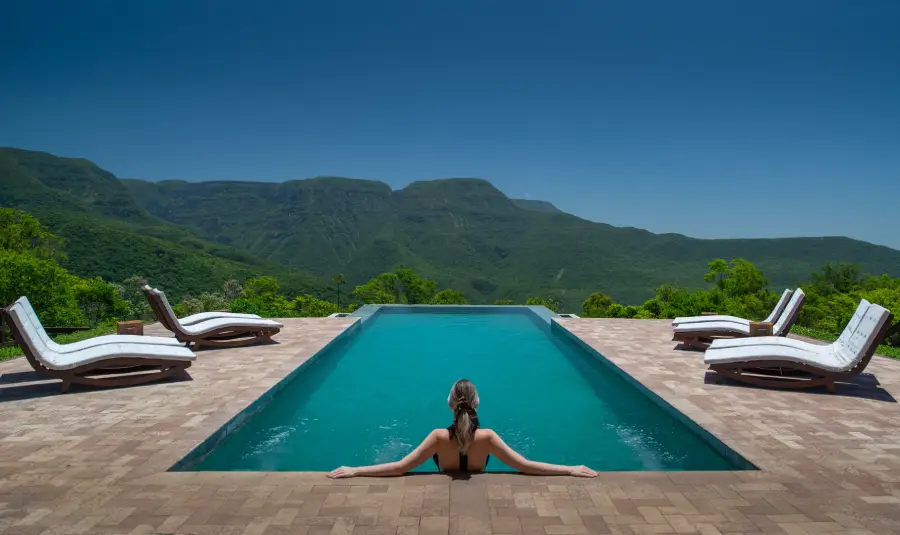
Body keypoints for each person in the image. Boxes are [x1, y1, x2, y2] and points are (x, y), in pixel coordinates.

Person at [328, 378, 598, 478]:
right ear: (477, 404)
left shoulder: (438, 437)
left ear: (450, 405)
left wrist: (356, 470)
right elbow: (524, 466)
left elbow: (400, 468)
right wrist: (569, 469)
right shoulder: (488, 437)